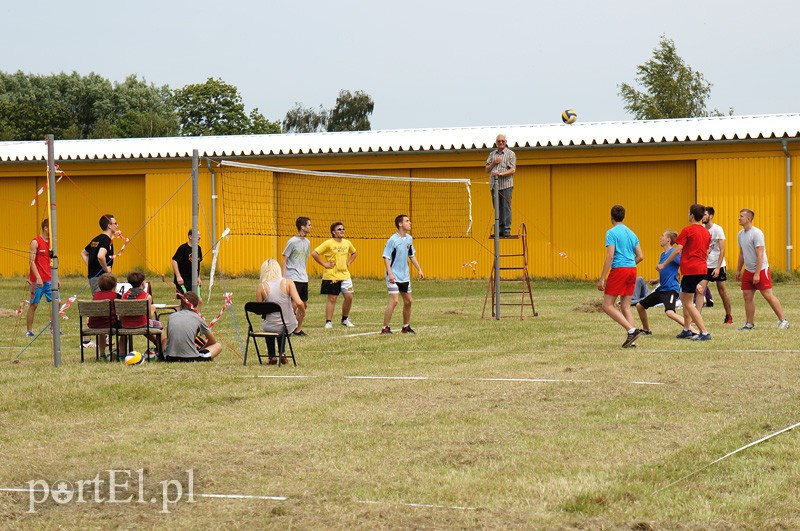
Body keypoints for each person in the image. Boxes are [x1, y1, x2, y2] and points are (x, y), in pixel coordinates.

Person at [659, 204, 712, 341]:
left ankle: (704, 332)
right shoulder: (706, 232)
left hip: (692, 269)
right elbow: (707, 251)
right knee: (683, 297)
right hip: (701, 268)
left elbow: (677, 250)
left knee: (688, 302)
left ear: (692, 215)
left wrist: (664, 264)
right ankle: (687, 329)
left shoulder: (687, 230)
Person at [597, 205, 644, 348]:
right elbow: (640, 256)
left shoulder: (611, 233)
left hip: (619, 270)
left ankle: (632, 330)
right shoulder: (631, 233)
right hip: (632, 270)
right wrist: (630, 264)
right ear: (624, 217)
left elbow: (610, 255)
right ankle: (632, 340)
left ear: (611, 217)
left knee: (607, 305)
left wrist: (602, 277)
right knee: (625, 306)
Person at [734, 208, 789, 330]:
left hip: (761, 270)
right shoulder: (740, 234)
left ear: (748, 219)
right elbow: (742, 253)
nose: (739, 218)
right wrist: (738, 270)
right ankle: (749, 324)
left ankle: (783, 321)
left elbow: (760, 254)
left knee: (768, 295)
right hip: (748, 270)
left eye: (741, 216)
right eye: (739, 216)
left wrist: (757, 273)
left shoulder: (757, 233)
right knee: (747, 296)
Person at [636, 230, 686, 334]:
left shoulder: (674, 253)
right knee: (640, 306)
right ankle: (646, 330)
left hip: (671, 289)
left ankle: (692, 330)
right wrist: (657, 280)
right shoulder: (662, 255)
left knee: (670, 313)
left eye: (662, 236)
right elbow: (667, 271)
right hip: (661, 290)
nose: (660, 238)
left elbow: (684, 265)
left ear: (668, 240)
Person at [381, 215, 424, 335]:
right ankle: (385, 328)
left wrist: (419, 269)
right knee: (394, 301)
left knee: (409, 301)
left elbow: (412, 255)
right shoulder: (393, 240)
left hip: (404, 276)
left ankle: (406, 327)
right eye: (407, 221)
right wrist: (390, 273)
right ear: (400, 224)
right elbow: (386, 257)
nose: (410, 223)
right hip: (393, 276)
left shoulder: (409, 239)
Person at [311, 221, 357, 328]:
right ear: (333, 232)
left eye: (343, 229)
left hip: (345, 275)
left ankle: (345, 319)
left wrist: (348, 262)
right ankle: (328, 322)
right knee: (332, 298)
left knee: (349, 297)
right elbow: (314, 253)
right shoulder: (328, 243)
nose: (342, 231)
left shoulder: (347, 243)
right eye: (339, 229)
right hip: (332, 275)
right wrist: (324, 264)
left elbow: (354, 253)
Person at [257, 258, 303, 364]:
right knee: (282, 325)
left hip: (270, 326)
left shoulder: (261, 287)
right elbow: (299, 302)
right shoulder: (288, 283)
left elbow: (259, 310)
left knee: (269, 325)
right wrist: (303, 312)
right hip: (287, 324)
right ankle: (282, 353)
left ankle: (271, 355)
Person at [697, 207, 733, 324]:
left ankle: (729, 316)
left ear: (711, 216)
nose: (703, 217)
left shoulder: (717, 229)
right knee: (700, 290)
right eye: (702, 214)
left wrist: (718, 268)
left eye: (705, 214)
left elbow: (722, 250)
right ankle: (696, 317)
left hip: (718, 264)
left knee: (722, 291)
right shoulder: (701, 229)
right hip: (705, 265)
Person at [161, 291, 222, 362]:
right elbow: (212, 341)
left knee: (165, 340)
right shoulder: (198, 318)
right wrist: (202, 349)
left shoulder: (171, 316)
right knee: (218, 346)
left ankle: (162, 354)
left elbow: (169, 338)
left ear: (181, 304)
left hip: (170, 357)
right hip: (191, 357)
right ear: (196, 305)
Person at [26, 219, 59, 337]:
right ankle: (29, 331)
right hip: (37, 280)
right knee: (34, 304)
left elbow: (53, 262)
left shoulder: (52, 243)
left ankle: (53, 329)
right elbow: (31, 261)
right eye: (51, 228)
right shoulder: (35, 242)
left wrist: (56, 278)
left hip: (50, 279)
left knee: (57, 302)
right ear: (46, 228)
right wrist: (38, 278)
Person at [281, 217, 312, 336]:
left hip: (303, 277)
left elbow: (304, 260)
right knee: (294, 304)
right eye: (309, 225)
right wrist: (284, 278)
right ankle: (286, 328)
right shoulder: (292, 241)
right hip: (292, 277)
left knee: (304, 305)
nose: (310, 227)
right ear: (302, 227)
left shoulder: (307, 242)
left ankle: (297, 329)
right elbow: (284, 260)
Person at [119, 271, 162, 355]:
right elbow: (149, 316)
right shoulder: (147, 297)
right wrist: (153, 309)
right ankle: (161, 348)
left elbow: (121, 316)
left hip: (126, 325)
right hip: (141, 324)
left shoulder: (124, 296)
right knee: (159, 325)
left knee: (128, 332)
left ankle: (121, 353)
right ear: (143, 283)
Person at [484, 134, 516, 237]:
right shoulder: (492, 154)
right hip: (494, 186)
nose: (501, 143)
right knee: (497, 207)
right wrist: (493, 163)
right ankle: (499, 229)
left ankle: (506, 229)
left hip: (506, 185)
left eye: (502, 141)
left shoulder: (510, 154)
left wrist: (501, 174)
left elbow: (513, 170)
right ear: (496, 143)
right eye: (499, 141)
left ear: (506, 142)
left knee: (505, 207)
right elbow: (486, 169)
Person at [81, 214, 117, 293]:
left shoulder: (96, 239)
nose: (117, 226)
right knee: (101, 299)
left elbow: (83, 253)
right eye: (115, 223)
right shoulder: (106, 240)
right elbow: (100, 256)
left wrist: (91, 265)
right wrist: (106, 269)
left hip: (93, 277)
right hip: (101, 279)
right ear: (109, 226)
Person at [86, 273, 118, 358]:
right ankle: (122, 352)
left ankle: (102, 354)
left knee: (101, 331)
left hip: (95, 324)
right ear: (114, 285)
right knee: (123, 327)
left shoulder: (96, 296)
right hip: (110, 324)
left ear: (99, 285)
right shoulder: (116, 296)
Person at [171, 229, 203, 294]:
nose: (199, 237)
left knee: (197, 298)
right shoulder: (183, 248)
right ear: (190, 237)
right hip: (183, 279)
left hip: (193, 279)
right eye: (197, 235)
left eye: (199, 235)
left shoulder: (198, 248)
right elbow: (174, 261)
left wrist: (198, 277)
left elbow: (198, 264)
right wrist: (178, 276)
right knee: (184, 299)